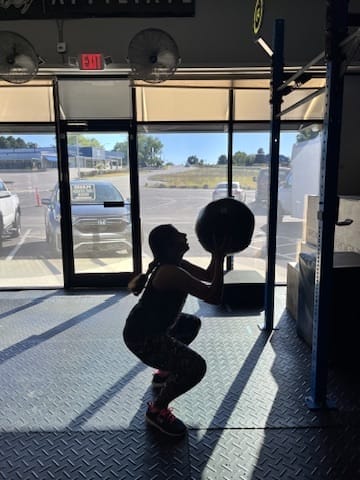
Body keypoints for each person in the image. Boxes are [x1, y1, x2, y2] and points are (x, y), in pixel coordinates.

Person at [123, 224, 227, 437]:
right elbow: (214, 296)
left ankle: (165, 371)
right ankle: (157, 410)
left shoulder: (177, 264)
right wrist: (221, 257)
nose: (184, 235)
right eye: (177, 235)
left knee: (190, 324)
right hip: (142, 337)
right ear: (169, 247)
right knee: (197, 367)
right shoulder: (170, 272)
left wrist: (217, 255)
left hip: (152, 328)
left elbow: (208, 275)